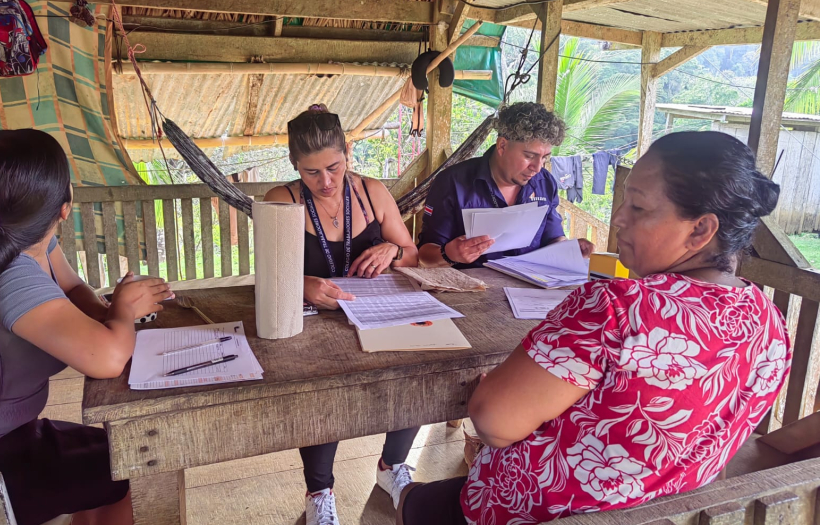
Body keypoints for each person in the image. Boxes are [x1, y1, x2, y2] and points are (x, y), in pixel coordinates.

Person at [396, 131, 792, 525]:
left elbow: (493, 423)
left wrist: (492, 388)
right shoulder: (771, 325)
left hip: (545, 511)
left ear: (700, 230)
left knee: (414, 500)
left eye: (637, 207)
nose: (618, 217)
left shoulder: (620, 307)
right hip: (661, 510)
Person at [0, 130, 173, 525]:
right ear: (64, 208)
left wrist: (104, 313)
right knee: (142, 464)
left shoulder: (17, 237)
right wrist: (123, 313)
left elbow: (71, 286)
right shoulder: (10, 273)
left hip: (11, 436)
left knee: (126, 454)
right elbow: (108, 359)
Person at [264, 104, 420, 525]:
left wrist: (393, 249)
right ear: (294, 166)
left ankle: (392, 467)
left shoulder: (372, 193)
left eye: (333, 167)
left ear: (348, 152)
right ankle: (320, 491)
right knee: (319, 394)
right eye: (311, 172)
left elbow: (413, 255)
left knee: (416, 368)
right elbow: (268, 273)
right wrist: (303, 284)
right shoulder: (283, 200)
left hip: (374, 310)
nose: (326, 182)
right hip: (315, 324)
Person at [418, 102, 594, 269]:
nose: (538, 167)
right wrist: (449, 254)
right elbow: (423, 255)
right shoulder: (453, 182)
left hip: (529, 289)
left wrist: (570, 249)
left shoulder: (545, 182)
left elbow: (554, 238)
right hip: (470, 293)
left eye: (545, 157)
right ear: (502, 145)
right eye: (529, 156)